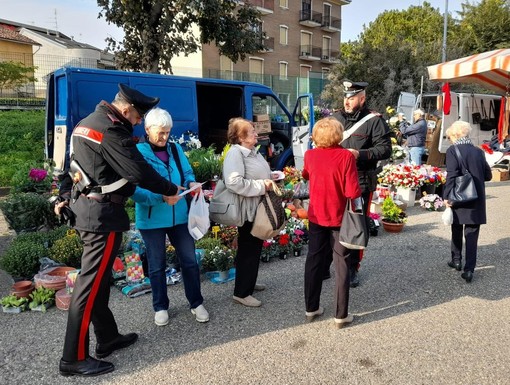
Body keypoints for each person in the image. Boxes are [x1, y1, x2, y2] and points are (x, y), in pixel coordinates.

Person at [57, 84, 181, 377]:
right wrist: (170, 188)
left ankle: (107, 338)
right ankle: (72, 358)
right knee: (88, 288)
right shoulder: (112, 130)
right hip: (102, 217)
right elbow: (136, 171)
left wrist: (61, 197)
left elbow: (68, 168)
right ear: (126, 110)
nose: (138, 122)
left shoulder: (86, 124)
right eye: (138, 117)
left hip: (88, 211)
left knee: (98, 281)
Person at [132, 108, 209, 326]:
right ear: (147, 130)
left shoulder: (175, 149)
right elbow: (134, 190)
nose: (165, 137)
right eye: (160, 133)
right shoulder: (137, 153)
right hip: (152, 220)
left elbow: (187, 173)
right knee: (156, 265)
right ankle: (160, 306)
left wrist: (192, 183)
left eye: (167, 132)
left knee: (190, 261)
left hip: (181, 218)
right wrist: (161, 198)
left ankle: (196, 302)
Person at [302, 117, 361, 328]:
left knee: (314, 260)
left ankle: (311, 308)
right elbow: (352, 191)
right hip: (339, 218)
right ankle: (340, 314)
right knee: (341, 263)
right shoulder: (345, 156)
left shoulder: (309, 155)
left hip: (316, 215)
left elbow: (306, 174)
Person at [331, 80, 392, 287]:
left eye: (351, 97)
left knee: (356, 224)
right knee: (333, 223)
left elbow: (385, 150)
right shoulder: (335, 117)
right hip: (336, 181)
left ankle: (352, 268)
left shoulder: (374, 120)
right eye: (345, 97)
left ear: (362, 98)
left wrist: (360, 154)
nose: (347, 101)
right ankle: (334, 263)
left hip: (361, 180)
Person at [223, 117, 275, 307]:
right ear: (241, 137)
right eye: (252, 131)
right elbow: (233, 182)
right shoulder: (236, 154)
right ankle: (242, 293)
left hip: (257, 206)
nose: (256, 133)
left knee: (254, 246)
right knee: (248, 248)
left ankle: (249, 283)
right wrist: (262, 185)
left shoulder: (252, 152)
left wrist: (271, 177)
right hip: (246, 209)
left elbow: (258, 174)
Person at [443, 120, 492, 283]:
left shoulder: (452, 150)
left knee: (456, 229)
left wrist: (446, 196)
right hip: (476, 198)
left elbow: (451, 175)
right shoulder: (478, 151)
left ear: (455, 135)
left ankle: (456, 260)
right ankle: (469, 269)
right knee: (472, 234)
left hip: (458, 196)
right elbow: (488, 175)